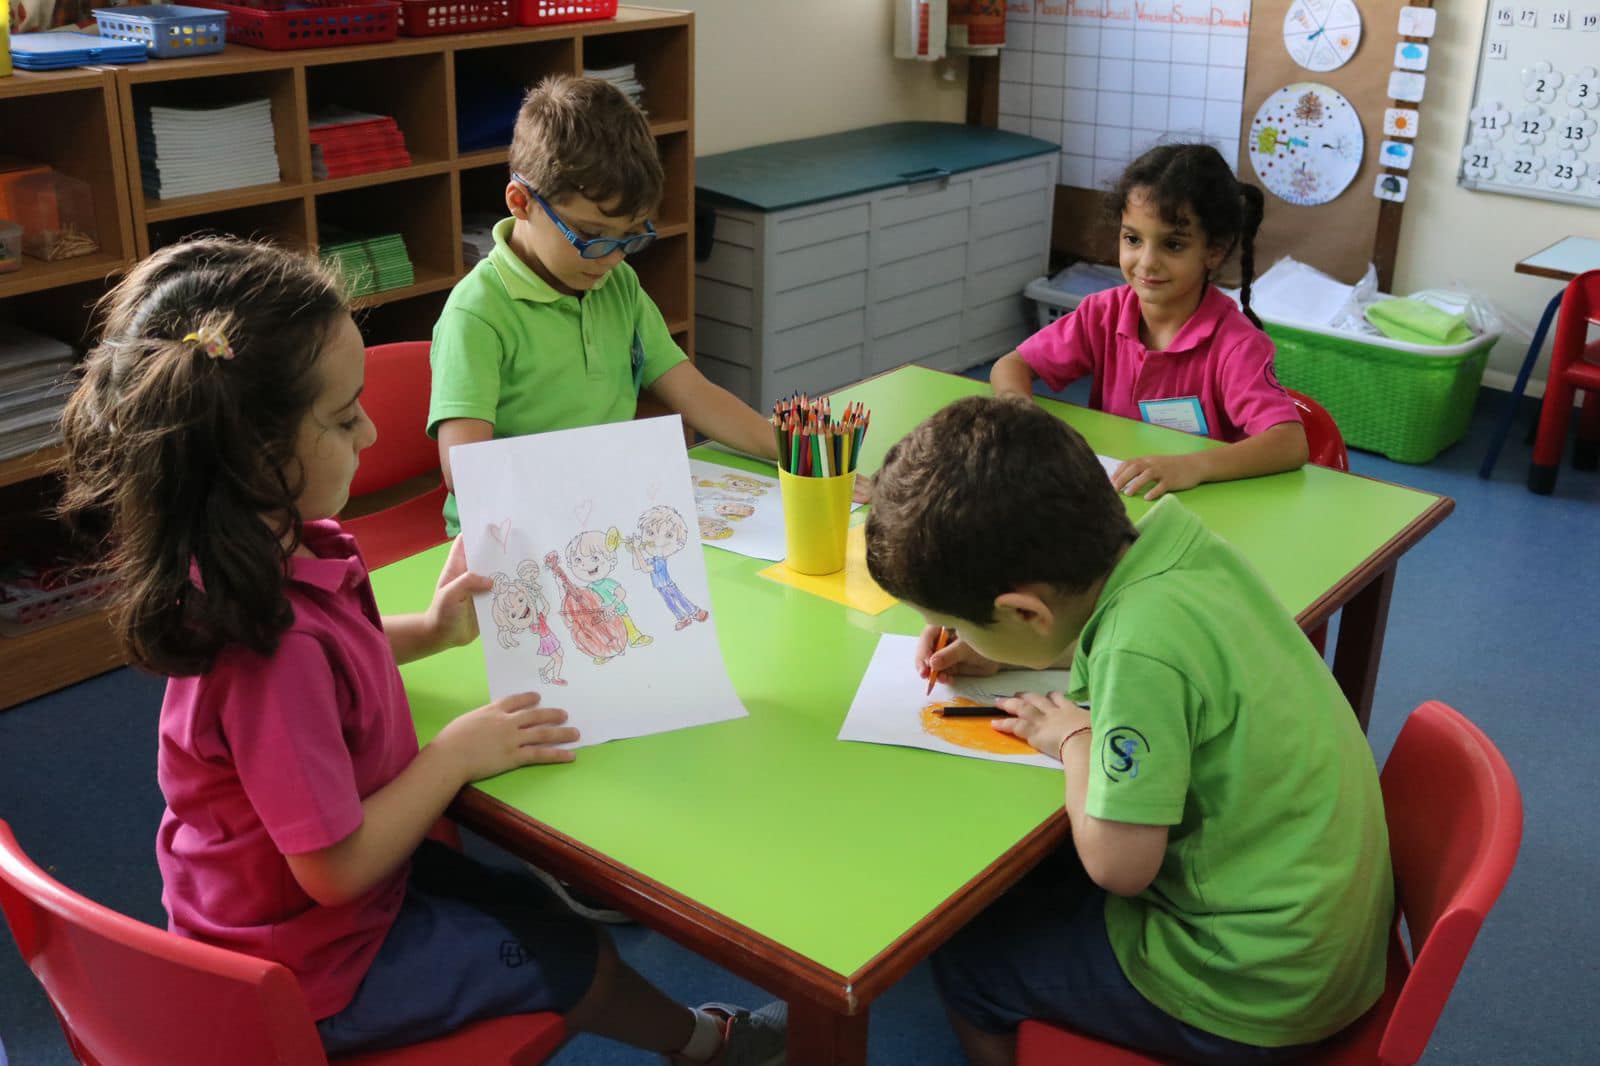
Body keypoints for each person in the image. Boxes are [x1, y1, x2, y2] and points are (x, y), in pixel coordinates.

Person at [58, 236, 785, 1064]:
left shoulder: (265, 553)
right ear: (258, 456)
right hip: (311, 968)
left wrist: (432, 630)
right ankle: (711, 1046)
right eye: (344, 418)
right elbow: (334, 870)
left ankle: (697, 1034)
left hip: (301, 914)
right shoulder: (267, 650)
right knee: (573, 957)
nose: (371, 431)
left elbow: (339, 654)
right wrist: (453, 755)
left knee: (528, 904)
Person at [863, 395, 1392, 1065]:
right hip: (1320, 936)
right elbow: (1148, 648)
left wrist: (1075, 740)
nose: (950, 636)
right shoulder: (1178, 550)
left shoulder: (1138, 652)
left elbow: (1120, 868)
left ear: (1026, 612)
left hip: (1249, 987)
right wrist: (1016, 651)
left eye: (958, 622)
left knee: (970, 957)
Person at [427, 74, 782, 538]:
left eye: (629, 236)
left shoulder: (618, 286)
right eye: (591, 236)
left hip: (601, 519)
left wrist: (792, 452)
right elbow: (466, 472)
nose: (613, 258)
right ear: (521, 202)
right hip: (509, 539)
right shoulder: (476, 314)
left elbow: (694, 393)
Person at [991, 143, 1308, 500]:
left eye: (1173, 245)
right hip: (1119, 492)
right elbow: (1011, 365)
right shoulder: (1103, 313)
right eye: (1133, 239)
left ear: (1214, 250)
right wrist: (1023, 416)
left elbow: (1289, 442)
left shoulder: (1236, 345)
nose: (1146, 262)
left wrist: (1193, 466)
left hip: (1202, 504)